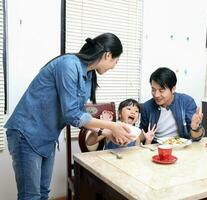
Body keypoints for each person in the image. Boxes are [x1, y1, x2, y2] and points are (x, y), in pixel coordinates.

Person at [5, 33, 133, 200]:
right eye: (116, 61)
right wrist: (112, 126)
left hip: (47, 137)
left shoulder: (89, 75)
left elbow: (79, 114)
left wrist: (105, 132)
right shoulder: (68, 65)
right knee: (31, 197)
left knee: (43, 194)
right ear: (108, 55)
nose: (114, 66)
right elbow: (72, 115)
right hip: (26, 133)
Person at [140, 67, 205, 143]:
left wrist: (195, 128)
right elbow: (142, 135)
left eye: (161, 90)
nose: (156, 95)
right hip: (156, 148)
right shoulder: (147, 107)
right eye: (153, 90)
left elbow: (196, 138)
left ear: (173, 89)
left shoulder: (186, 102)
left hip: (181, 147)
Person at [86, 98, 157, 150]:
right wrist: (99, 128)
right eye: (129, 109)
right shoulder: (112, 128)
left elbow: (139, 153)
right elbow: (90, 142)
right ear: (119, 114)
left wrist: (148, 141)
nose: (133, 112)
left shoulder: (136, 133)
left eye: (136, 111)